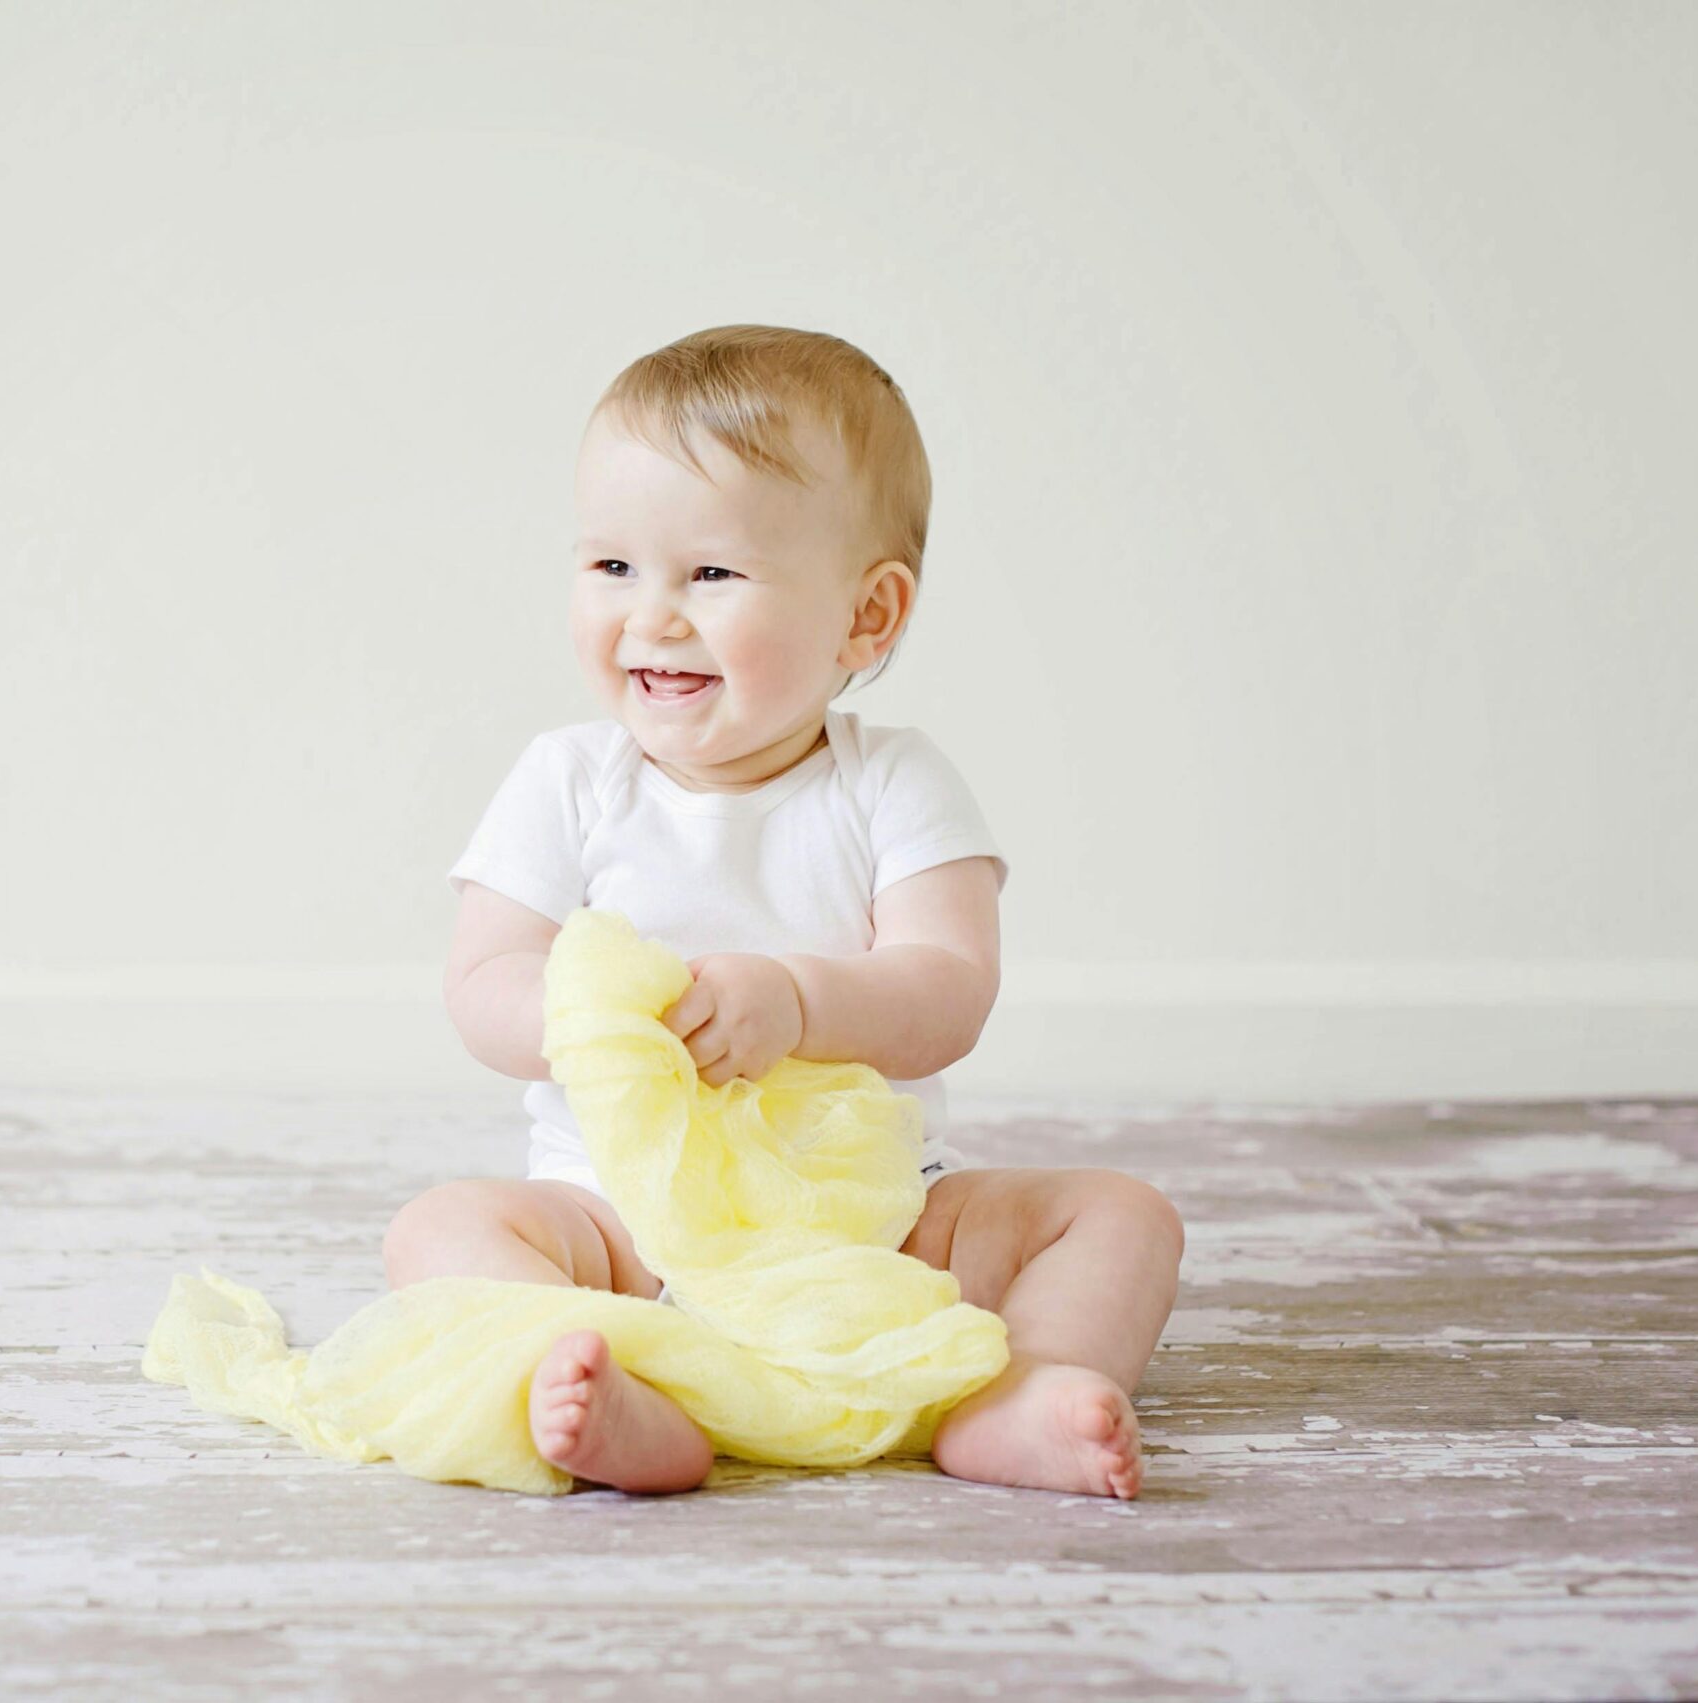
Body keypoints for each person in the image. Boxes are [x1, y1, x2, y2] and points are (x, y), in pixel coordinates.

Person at [392, 324, 1185, 1498]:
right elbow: (482, 980)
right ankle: (630, 1390)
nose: (651, 615)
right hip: (618, 1221)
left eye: (710, 574)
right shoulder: (568, 781)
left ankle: (1022, 1388)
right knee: (439, 1228)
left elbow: (948, 987)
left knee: (1123, 1216)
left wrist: (799, 998)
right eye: (612, 566)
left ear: (866, 617)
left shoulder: (891, 783)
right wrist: (595, 1022)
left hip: (869, 1229)